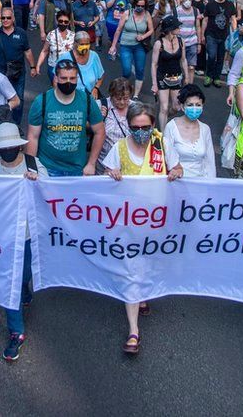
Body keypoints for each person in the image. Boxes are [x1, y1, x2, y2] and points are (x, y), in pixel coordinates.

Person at [102, 101, 170, 354]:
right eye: (135, 127)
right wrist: (112, 173)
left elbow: (177, 168)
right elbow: (108, 170)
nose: (141, 132)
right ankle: (133, 331)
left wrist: (176, 171)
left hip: (155, 221)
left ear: (153, 125)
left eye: (146, 127)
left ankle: (142, 295)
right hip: (129, 221)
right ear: (128, 126)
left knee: (148, 264)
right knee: (131, 270)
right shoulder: (119, 148)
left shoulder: (161, 144)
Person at [0, 122, 46, 360]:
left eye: (12, 147)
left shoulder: (33, 164)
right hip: (5, 237)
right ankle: (16, 332)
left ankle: (26, 291)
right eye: (3, 148)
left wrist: (37, 182)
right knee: (12, 283)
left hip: (29, 235)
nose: (8, 151)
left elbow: (49, 195)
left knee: (25, 274)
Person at [26, 59, 105, 177]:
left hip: (77, 169)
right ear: (56, 78)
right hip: (47, 168)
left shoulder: (87, 100)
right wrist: (32, 168)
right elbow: (33, 136)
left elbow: (100, 132)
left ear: (77, 78)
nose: (68, 82)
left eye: (72, 78)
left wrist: (91, 164)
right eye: (63, 78)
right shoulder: (41, 102)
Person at [0, 7, 36, 124]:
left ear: (13, 18)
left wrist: (33, 67)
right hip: (1, 73)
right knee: (1, 98)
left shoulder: (21, 33)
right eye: (3, 18)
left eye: (8, 18)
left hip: (18, 72)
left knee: (18, 98)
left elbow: (27, 51)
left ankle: (15, 124)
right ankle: (2, 122)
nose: (5, 20)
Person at [163, 84, 216, 179]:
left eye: (198, 105)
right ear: (182, 106)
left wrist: (211, 184)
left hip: (201, 182)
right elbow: (168, 157)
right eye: (190, 105)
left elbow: (210, 161)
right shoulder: (171, 127)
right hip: (177, 181)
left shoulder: (205, 129)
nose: (194, 108)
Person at [109, 0, 154, 98]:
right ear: (134, 5)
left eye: (143, 6)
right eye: (138, 5)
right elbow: (118, 30)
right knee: (126, 69)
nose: (140, 8)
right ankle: (124, 87)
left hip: (139, 46)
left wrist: (143, 37)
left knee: (140, 69)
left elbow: (151, 30)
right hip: (126, 45)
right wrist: (113, 45)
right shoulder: (127, 14)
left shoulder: (147, 15)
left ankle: (136, 95)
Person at [149, 16, 188, 128]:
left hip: (177, 77)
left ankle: (165, 118)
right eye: (177, 27)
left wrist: (186, 77)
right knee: (164, 107)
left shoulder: (181, 41)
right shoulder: (159, 44)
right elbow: (154, 64)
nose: (179, 29)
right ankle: (163, 135)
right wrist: (154, 84)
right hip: (163, 77)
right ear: (170, 29)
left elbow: (183, 60)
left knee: (176, 107)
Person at [200, 0, 237, 88]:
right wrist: (202, 35)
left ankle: (216, 77)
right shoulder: (210, 5)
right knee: (211, 56)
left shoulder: (230, 5)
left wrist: (234, 34)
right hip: (211, 35)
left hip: (224, 35)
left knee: (221, 58)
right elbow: (205, 20)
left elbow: (233, 19)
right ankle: (209, 75)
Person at [57, 31, 105, 99]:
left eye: (87, 44)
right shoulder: (65, 58)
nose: (85, 47)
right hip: (69, 98)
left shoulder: (94, 56)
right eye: (82, 44)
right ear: (75, 43)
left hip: (89, 98)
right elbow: (56, 80)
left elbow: (101, 76)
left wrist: (96, 88)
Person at [36, 10, 75, 82]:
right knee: (56, 91)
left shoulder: (73, 36)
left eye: (66, 22)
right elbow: (44, 51)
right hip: (54, 68)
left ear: (69, 22)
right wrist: (38, 65)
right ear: (57, 21)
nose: (63, 23)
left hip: (69, 69)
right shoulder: (51, 35)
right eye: (61, 21)